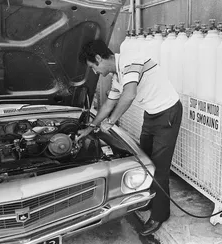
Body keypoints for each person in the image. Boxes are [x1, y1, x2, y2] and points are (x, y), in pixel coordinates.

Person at [77, 40, 182, 236]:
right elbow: (109, 103)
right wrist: (91, 127)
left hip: (167, 113)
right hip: (152, 114)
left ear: (99, 58)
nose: (95, 72)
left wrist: (112, 121)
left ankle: (160, 214)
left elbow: (130, 94)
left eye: (93, 67)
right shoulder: (118, 76)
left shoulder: (129, 61)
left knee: (159, 167)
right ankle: (150, 199)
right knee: (145, 161)